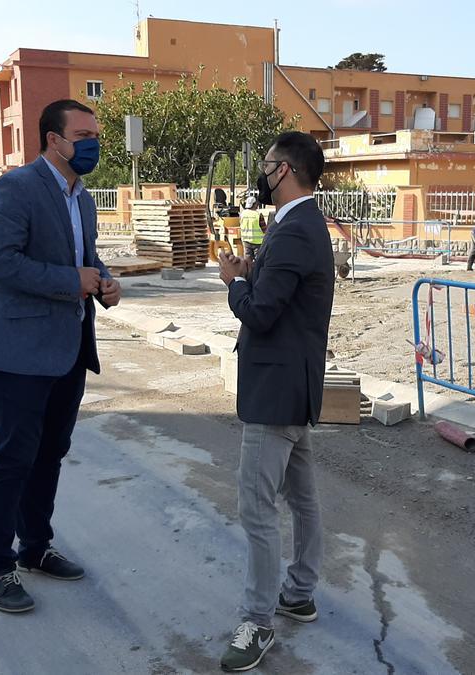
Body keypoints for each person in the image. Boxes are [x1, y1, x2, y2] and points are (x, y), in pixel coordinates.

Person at [0, 99, 122, 613]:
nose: (92, 142)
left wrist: (101, 280)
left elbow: (84, 259)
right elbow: (0, 263)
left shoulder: (83, 200)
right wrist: (69, 281)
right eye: (83, 134)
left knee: (50, 453)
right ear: (53, 139)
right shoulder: (16, 188)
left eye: (95, 133)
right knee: (12, 459)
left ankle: (34, 547)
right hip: (17, 353)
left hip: (69, 349)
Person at [215, 131, 334, 672]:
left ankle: (257, 621)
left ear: (284, 170)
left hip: (275, 393)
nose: (261, 175)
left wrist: (233, 284)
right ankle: (299, 593)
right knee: (302, 499)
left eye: (266, 166)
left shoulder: (294, 232)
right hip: (295, 385)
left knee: (256, 507)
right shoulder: (302, 225)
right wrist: (251, 275)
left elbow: (260, 313)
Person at [240, 195, 264, 262]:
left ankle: (248, 272)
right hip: (258, 242)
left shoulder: (242, 214)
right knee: (258, 261)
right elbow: (264, 229)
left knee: (247, 261)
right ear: (255, 204)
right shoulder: (258, 215)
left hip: (246, 240)